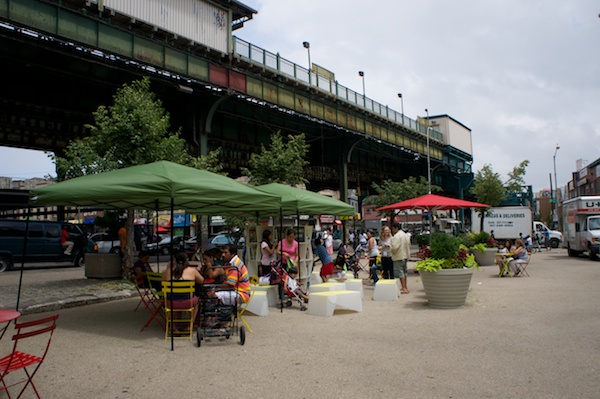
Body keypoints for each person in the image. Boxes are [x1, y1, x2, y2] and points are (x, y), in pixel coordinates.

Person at [161, 252, 204, 329]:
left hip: (170, 303)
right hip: (188, 302)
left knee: (173, 298)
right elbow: (201, 281)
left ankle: (173, 327)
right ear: (186, 260)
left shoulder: (168, 271)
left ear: (174, 261)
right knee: (197, 302)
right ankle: (190, 326)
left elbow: (162, 282)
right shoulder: (192, 270)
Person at [390, 222, 411, 294]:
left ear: (396, 228)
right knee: (404, 272)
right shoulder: (405, 235)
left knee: (400, 273)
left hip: (398, 256)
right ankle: (405, 286)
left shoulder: (397, 236)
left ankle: (404, 288)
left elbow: (395, 247)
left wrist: (390, 247)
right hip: (405, 256)